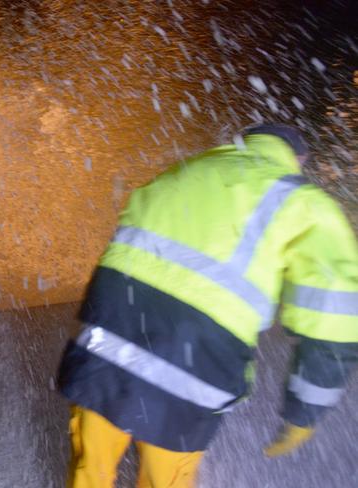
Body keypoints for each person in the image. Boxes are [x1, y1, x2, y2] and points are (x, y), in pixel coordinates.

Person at [57, 124, 358, 487]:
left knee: (91, 467)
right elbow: (334, 320)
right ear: (298, 159)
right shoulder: (305, 203)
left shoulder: (185, 171)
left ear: (242, 142)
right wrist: (304, 411)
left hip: (107, 341)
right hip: (192, 366)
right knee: (166, 477)